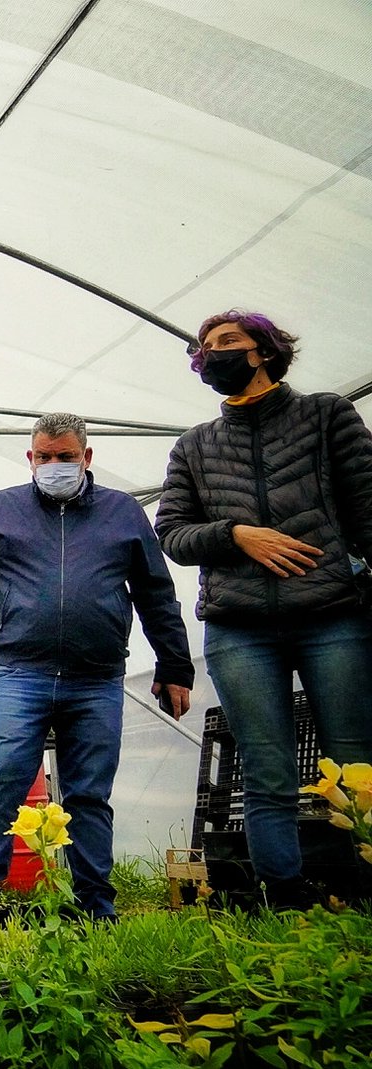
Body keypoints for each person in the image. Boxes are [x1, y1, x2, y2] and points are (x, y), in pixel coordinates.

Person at [0, 412, 194, 948]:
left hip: (97, 678)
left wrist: (175, 665)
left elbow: (156, 593)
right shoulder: (0, 509)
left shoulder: (122, 512)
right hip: (20, 673)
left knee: (89, 795)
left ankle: (96, 908)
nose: (54, 465)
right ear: (30, 458)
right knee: (3, 782)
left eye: (65, 457)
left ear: (87, 457)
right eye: (44, 456)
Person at [156, 310, 372, 909]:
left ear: (264, 351)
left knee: (354, 763)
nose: (213, 352)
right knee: (266, 766)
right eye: (205, 347)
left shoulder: (326, 415)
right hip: (239, 626)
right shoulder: (195, 446)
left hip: (332, 612)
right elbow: (171, 532)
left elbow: (367, 506)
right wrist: (236, 535)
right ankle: (285, 897)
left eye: (228, 341)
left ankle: (361, 892)